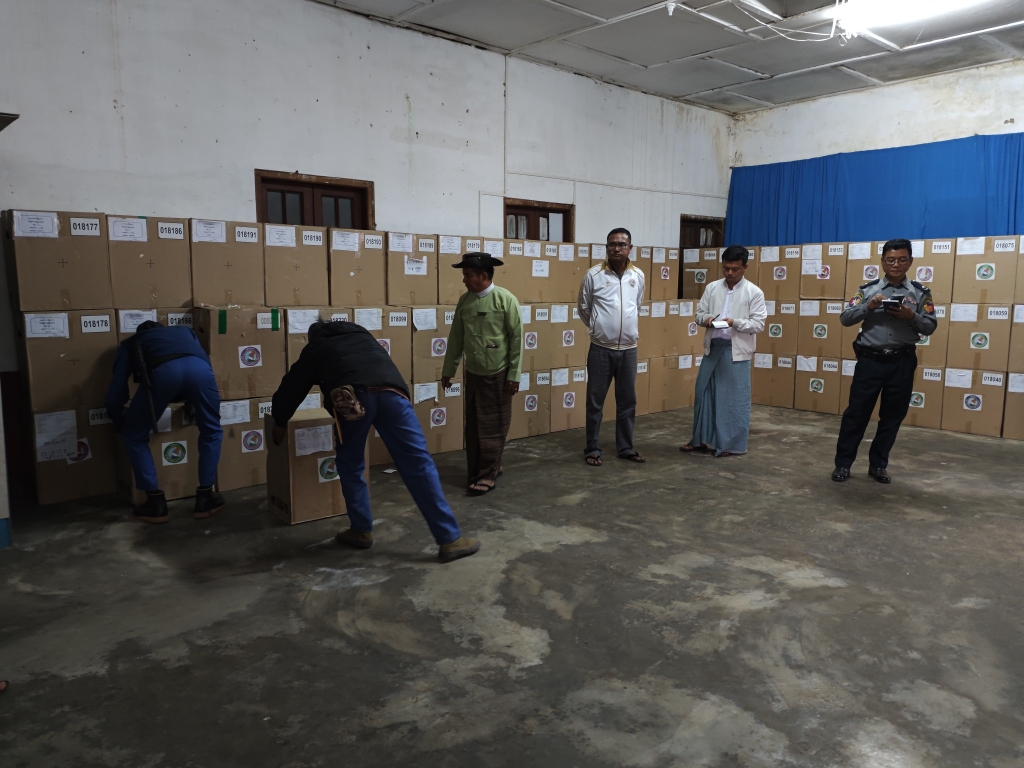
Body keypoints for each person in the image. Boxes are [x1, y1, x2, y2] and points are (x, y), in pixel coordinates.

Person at [271, 320, 479, 562]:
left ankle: (360, 530)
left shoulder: (317, 346)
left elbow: (293, 386)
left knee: (351, 464)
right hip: (394, 396)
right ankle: (450, 539)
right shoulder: (364, 338)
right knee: (418, 463)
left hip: (353, 400)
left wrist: (279, 420)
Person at [833, 238, 937, 483]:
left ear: (910, 262)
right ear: (882, 262)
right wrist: (868, 307)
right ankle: (843, 464)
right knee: (856, 414)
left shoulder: (920, 293)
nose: (896, 265)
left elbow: (930, 326)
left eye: (901, 260)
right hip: (870, 361)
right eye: (890, 260)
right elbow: (845, 319)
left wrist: (911, 316)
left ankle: (879, 465)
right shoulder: (867, 290)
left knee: (892, 416)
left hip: (902, 362)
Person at [105, 320, 224, 524]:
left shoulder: (131, 343)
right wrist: (191, 400)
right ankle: (206, 497)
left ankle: (155, 504)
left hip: (163, 374)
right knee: (212, 430)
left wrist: (118, 420)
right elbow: (195, 360)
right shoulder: (185, 332)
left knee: (133, 436)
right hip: (201, 372)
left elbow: (116, 392)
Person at [441, 253, 523, 496]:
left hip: (499, 374)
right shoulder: (465, 301)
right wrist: (448, 370)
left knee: (494, 427)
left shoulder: (506, 300)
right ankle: (486, 467)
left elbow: (517, 339)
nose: (464, 280)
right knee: (475, 426)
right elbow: (456, 338)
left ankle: (487, 474)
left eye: (467, 275)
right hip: (474, 373)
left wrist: (514, 374)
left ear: (483, 276)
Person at [682, 245, 766, 457]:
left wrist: (734, 322)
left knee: (733, 400)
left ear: (745, 267)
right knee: (703, 393)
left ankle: (730, 445)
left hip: (736, 351)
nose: (730, 272)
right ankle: (700, 440)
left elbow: (758, 324)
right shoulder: (712, 288)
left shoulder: (754, 292)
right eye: (726, 268)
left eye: (735, 269)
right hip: (713, 348)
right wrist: (706, 319)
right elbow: (699, 314)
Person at [578, 227, 646, 466]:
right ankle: (592, 449)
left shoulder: (638, 275)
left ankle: (625, 448)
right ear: (606, 248)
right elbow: (584, 308)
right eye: (612, 244)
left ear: (630, 248)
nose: (617, 248)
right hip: (600, 349)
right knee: (595, 402)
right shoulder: (593, 275)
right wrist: (600, 327)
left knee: (627, 401)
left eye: (621, 244)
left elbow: (637, 305)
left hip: (628, 349)